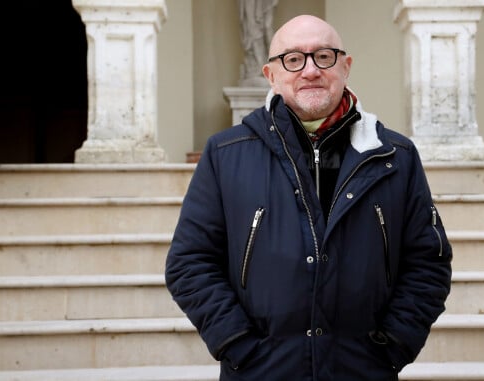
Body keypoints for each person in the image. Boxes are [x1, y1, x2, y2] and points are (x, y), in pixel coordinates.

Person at [165, 14, 452, 381]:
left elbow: (428, 261)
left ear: (345, 67)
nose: (310, 70)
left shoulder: (396, 156)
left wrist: (393, 344)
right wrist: (238, 344)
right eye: (293, 59)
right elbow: (189, 262)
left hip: (361, 370)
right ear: (271, 75)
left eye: (324, 56)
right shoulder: (225, 154)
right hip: (261, 370)